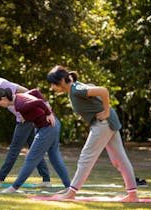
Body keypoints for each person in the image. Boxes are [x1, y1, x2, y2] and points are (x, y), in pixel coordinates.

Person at [46, 65, 138, 202]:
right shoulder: (76, 88)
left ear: (61, 81)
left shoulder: (76, 89)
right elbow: (94, 90)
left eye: (53, 84)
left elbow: (103, 91)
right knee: (119, 159)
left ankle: (71, 193)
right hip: (108, 121)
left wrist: (106, 111)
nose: (52, 88)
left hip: (103, 123)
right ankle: (132, 195)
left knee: (86, 156)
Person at [0, 67, 52, 187]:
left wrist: (28, 111)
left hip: (24, 120)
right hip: (24, 119)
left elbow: (25, 90)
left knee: (14, 150)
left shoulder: (2, 84)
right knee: (34, 148)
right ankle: (46, 180)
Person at [0, 88, 70, 193]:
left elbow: (38, 102)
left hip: (47, 128)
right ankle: (68, 187)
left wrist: (49, 112)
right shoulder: (20, 96)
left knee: (31, 158)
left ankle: (13, 188)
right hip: (52, 125)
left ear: (4, 99)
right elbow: (36, 91)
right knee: (54, 157)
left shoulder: (20, 105)